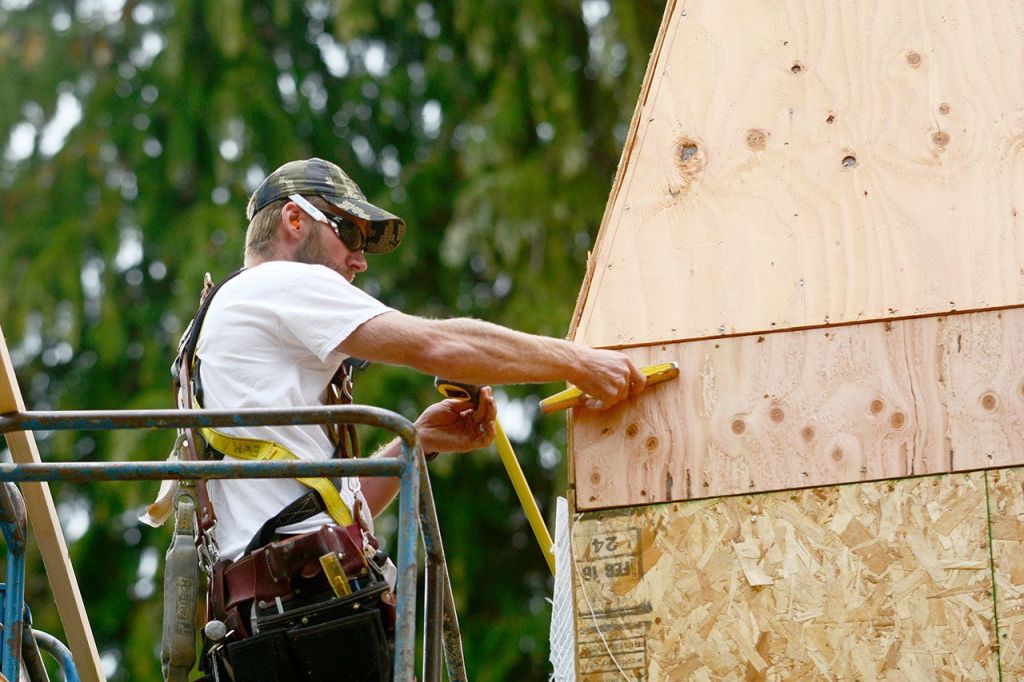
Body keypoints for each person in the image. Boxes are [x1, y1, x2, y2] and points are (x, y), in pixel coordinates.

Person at [187, 157, 646, 680]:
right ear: (295, 220)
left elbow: (308, 514)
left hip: (270, 620)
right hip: (304, 611)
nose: (359, 260)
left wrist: (415, 444)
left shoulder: (224, 323)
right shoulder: (279, 284)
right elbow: (437, 344)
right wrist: (578, 361)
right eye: (350, 233)